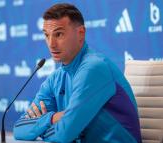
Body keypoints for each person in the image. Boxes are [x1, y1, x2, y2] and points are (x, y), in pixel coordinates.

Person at [13, 3, 142, 143]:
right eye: (46, 35)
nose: (51, 44)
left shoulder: (93, 68)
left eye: (59, 34)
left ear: (80, 34)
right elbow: (18, 128)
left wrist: (40, 127)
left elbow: (64, 135)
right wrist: (52, 118)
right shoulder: (55, 78)